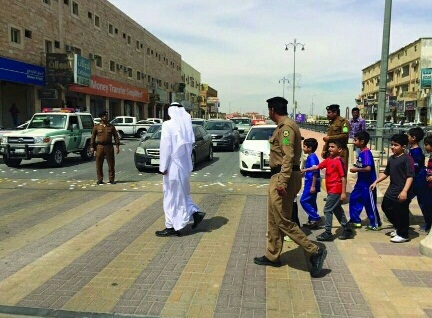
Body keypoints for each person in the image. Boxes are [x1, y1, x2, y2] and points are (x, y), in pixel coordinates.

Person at [253, 96, 327, 279]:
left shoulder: (286, 128)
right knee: (273, 218)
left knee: (282, 220)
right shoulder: (286, 125)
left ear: (272, 110)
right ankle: (272, 254)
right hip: (279, 176)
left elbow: (287, 156)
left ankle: (314, 250)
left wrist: (282, 182)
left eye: (269, 110)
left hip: (282, 177)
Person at [155, 102, 205, 237]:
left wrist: (163, 167)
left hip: (172, 167)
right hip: (183, 168)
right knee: (181, 196)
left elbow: (166, 148)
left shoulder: (168, 125)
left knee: (170, 197)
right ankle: (194, 213)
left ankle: (171, 226)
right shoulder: (185, 128)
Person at [302, 140, 353, 241]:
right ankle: (347, 229)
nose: (330, 149)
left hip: (336, 189)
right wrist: (304, 170)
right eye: (329, 147)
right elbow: (317, 167)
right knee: (337, 209)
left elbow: (343, 178)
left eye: (333, 147)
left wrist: (343, 192)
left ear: (340, 150)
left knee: (327, 210)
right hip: (330, 189)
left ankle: (328, 232)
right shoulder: (329, 159)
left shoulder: (339, 162)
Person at [370, 133, 414, 243]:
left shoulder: (407, 159)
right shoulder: (391, 158)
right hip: (392, 189)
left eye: (396, 145)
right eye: (392, 145)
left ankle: (403, 234)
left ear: (404, 147)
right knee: (386, 206)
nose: (393, 147)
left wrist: (404, 191)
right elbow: (386, 173)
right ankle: (398, 227)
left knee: (402, 212)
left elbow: (410, 176)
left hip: (402, 190)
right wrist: (376, 182)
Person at [348, 130, 382, 230]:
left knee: (369, 204)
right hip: (360, 183)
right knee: (354, 199)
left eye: (355, 140)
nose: (354, 142)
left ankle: (376, 223)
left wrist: (356, 169)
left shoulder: (366, 153)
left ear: (362, 142)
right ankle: (355, 220)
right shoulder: (361, 153)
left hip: (368, 184)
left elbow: (368, 168)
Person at [407, 127, 429, 233]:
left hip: (419, 180)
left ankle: (428, 224)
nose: (407, 137)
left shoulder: (417, 152)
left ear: (414, 138)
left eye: (409, 135)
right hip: (414, 180)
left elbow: (414, 167)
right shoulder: (411, 150)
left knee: (423, 203)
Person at [90, 110, 120, 185]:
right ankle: (100, 179)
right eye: (103, 116)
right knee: (99, 163)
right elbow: (93, 137)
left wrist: (117, 146)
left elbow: (116, 136)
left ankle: (111, 179)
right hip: (100, 146)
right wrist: (92, 147)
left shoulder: (111, 126)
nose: (105, 117)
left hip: (109, 146)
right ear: (101, 117)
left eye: (106, 116)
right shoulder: (97, 126)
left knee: (111, 163)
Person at [300, 138, 321, 229]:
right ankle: (312, 221)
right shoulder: (310, 157)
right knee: (312, 202)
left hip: (311, 183)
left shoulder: (312, 158)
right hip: (310, 182)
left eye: (304, 146)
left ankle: (315, 217)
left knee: (303, 200)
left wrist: (312, 186)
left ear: (310, 148)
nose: (303, 148)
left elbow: (315, 171)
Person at [322, 104, 350, 170]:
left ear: (335, 113)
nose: (327, 114)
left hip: (341, 152)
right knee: (331, 172)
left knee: (341, 173)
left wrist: (330, 138)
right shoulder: (331, 123)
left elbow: (345, 135)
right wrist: (324, 149)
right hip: (331, 152)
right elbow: (328, 137)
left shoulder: (344, 122)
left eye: (329, 113)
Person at [422, 135, 432, 234]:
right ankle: (428, 225)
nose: (425, 147)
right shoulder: (431, 156)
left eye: (427, 145)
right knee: (427, 206)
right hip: (428, 186)